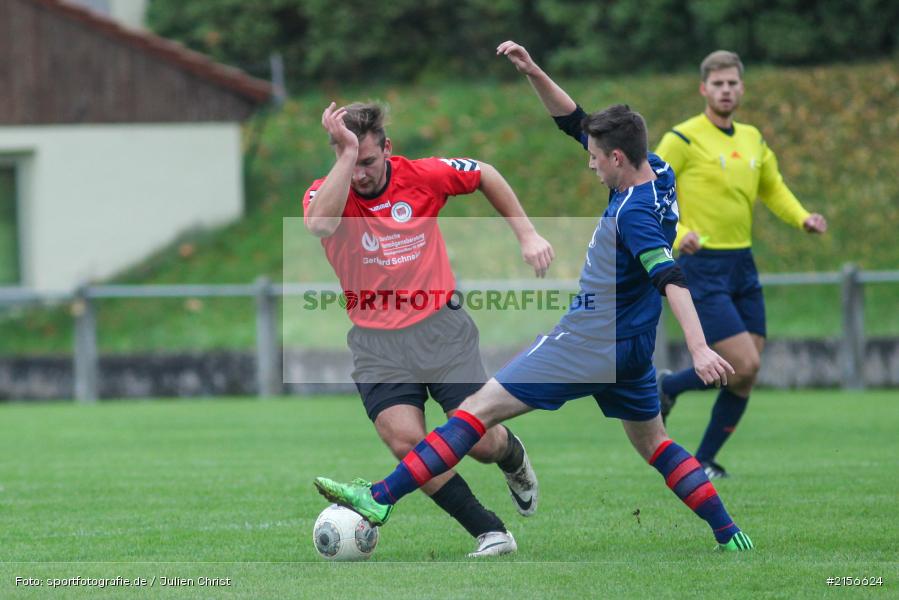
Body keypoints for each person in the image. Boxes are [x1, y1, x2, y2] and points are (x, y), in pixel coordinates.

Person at [313, 44, 754, 553]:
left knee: (475, 412)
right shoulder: (656, 172)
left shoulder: (632, 213)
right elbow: (576, 121)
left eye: (594, 158)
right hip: (634, 345)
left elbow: (669, 276)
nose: (589, 164)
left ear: (616, 158)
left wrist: (698, 348)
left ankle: (379, 497)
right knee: (655, 443)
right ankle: (730, 534)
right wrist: (534, 72)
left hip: (591, 338)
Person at [303, 101, 555, 557]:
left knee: (481, 443)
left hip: (440, 329)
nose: (360, 173)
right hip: (377, 343)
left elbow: (485, 173)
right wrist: (347, 155)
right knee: (406, 442)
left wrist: (527, 234)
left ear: (388, 149)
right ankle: (490, 531)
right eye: (349, 160)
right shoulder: (325, 192)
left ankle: (511, 453)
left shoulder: (421, 176)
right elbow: (320, 224)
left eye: (367, 161)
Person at [654, 51, 828, 479]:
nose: (726, 90)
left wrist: (802, 218)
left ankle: (701, 456)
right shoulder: (682, 138)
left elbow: (773, 187)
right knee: (745, 363)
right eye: (718, 84)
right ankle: (669, 388)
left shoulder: (752, 138)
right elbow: (651, 192)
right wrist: (678, 233)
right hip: (701, 265)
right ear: (704, 89)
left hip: (742, 264)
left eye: (732, 83)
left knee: (745, 373)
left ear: (742, 87)